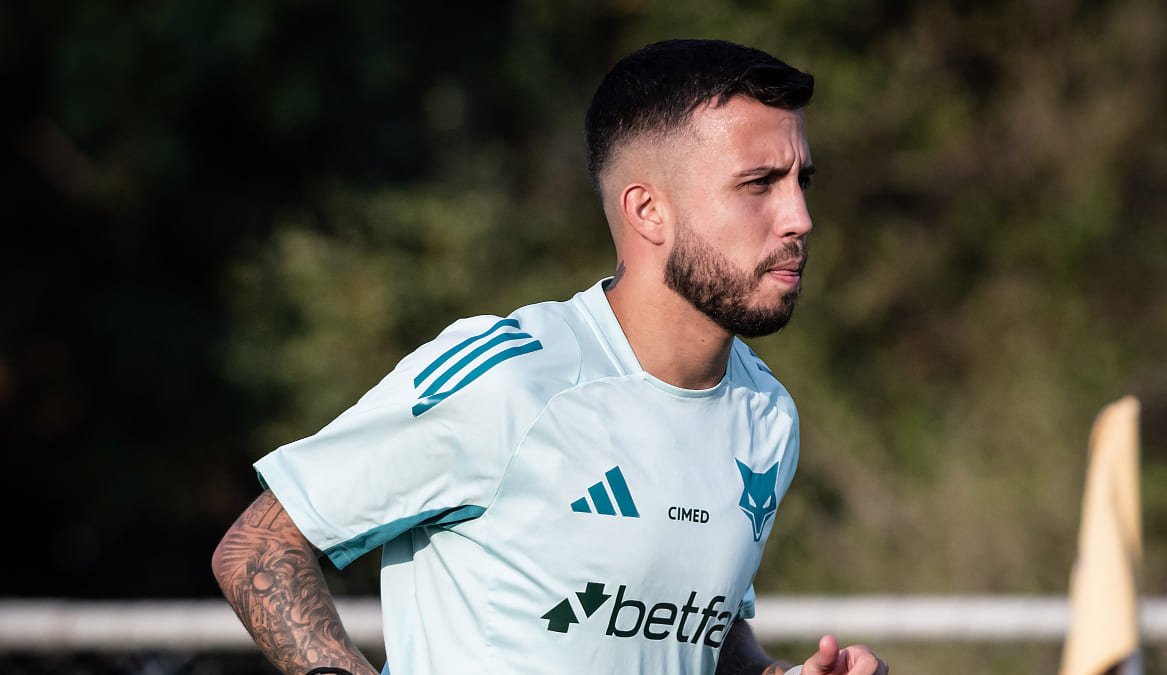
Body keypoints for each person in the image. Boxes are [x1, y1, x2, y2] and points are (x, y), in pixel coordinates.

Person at [213, 38, 888, 675]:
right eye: (759, 183)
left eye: (802, 180)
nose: (799, 216)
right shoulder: (512, 379)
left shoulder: (767, 417)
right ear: (648, 211)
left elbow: (694, 635)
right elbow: (257, 547)